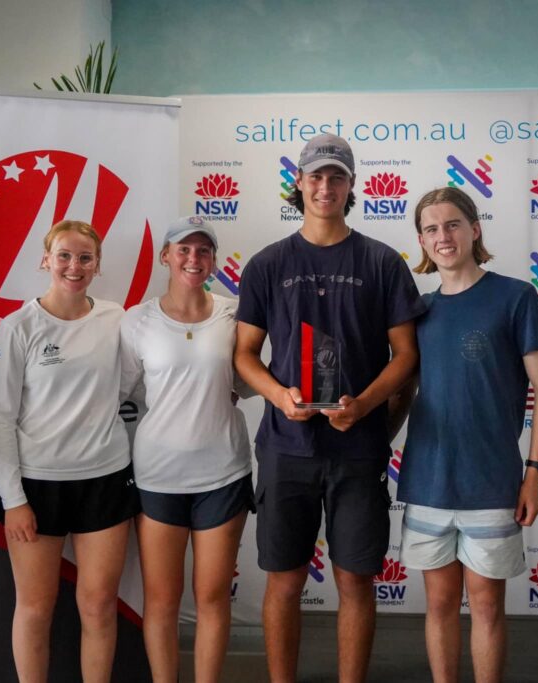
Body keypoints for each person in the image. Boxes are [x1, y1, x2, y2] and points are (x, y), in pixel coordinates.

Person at [234, 133, 424, 683]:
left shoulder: (383, 262)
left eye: (336, 176)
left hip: (357, 450)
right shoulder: (268, 264)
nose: (325, 186)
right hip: (286, 448)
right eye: (315, 176)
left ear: (351, 185)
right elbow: (245, 355)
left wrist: (364, 405)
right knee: (285, 582)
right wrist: (279, 395)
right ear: (298, 183)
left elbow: (406, 355)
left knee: (355, 581)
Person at [392, 186, 538, 683]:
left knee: (486, 606)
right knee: (440, 604)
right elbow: (402, 392)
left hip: (491, 483)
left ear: (475, 228)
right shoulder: (416, 311)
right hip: (427, 482)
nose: (443, 236)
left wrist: (534, 473)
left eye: (452, 224)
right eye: (431, 229)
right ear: (420, 241)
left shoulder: (516, 296)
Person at [0, 220, 139, 683]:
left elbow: (131, 383)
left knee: (97, 606)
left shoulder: (118, 319)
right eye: (65, 256)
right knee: (35, 608)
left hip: (105, 479)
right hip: (35, 487)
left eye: (85, 258)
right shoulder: (18, 326)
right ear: (45, 260)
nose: (75, 266)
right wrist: (13, 500)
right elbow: (1, 420)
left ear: (97, 265)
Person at [119, 216, 253, 683]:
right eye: (184, 250)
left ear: (213, 260)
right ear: (166, 256)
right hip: (158, 477)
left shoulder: (234, 314)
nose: (193, 259)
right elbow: (123, 393)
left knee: (213, 597)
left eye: (203, 251)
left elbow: (246, 381)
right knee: (161, 600)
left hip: (224, 474)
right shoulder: (137, 320)